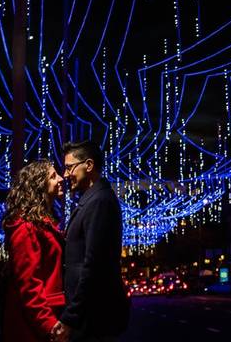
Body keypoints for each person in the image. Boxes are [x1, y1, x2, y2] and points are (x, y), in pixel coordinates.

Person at [53, 141, 129, 342]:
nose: (66, 174)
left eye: (69, 167)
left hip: (92, 318)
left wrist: (70, 317)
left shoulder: (99, 201)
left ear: (88, 165)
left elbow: (93, 265)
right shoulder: (93, 199)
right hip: (89, 316)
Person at [3, 160, 66, 342]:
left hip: (45, 317)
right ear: (39, 185)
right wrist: (49, 326)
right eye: (53, 176)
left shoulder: (42, 222)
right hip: (34, 326)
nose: (61, 179)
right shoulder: (25, 227)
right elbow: (29, 284)